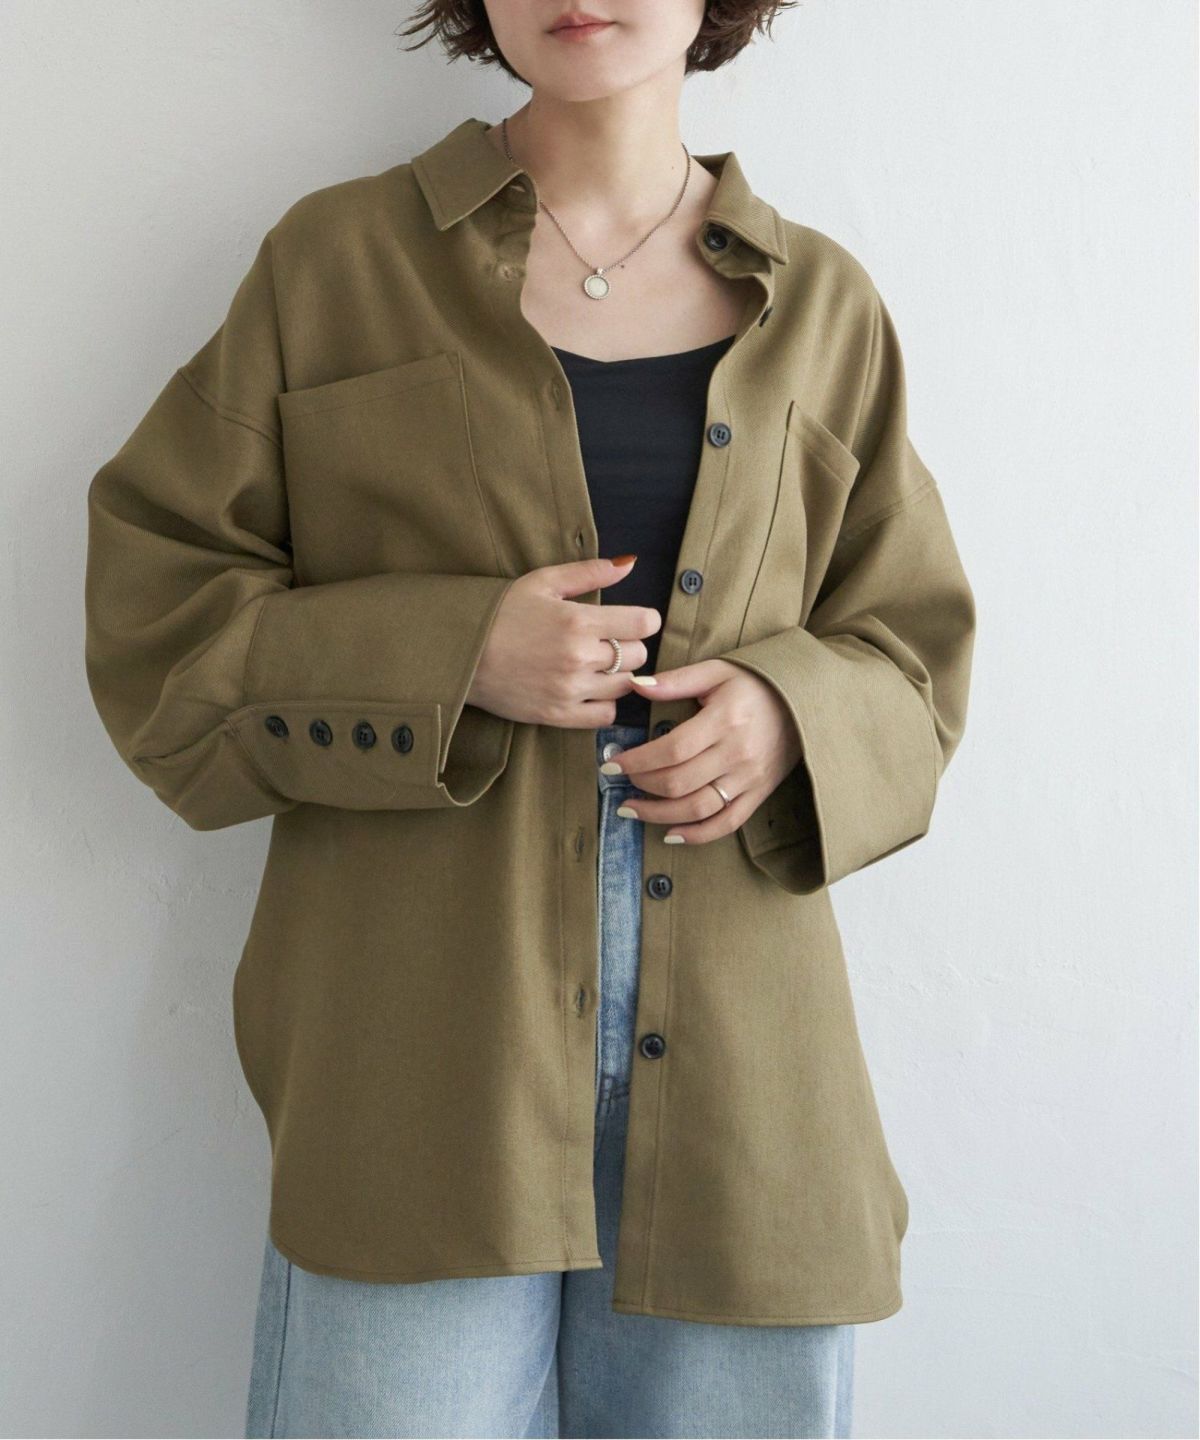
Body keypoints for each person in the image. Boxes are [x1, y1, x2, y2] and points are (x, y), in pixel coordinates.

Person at [84, 2, 976, 1436]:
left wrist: (787, 711)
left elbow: (913, 654)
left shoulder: (825, 304)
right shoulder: (335, 265)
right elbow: (159, 617)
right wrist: (453, 652)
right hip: (415, 1048)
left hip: (747, 1070)